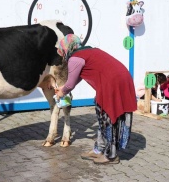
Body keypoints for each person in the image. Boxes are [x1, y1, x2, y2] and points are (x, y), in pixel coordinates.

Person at [55, 34, 137, 165]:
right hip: (120, 79)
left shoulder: (75, 59)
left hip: (112, 83)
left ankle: (111, 156)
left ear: (67, 48)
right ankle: (99, 149)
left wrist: (62, 92)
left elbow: (70, 84)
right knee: (102, 115)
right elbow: (76, 78)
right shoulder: (88, 51)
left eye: (62, 50)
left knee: (108, 117)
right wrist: (63, 87)